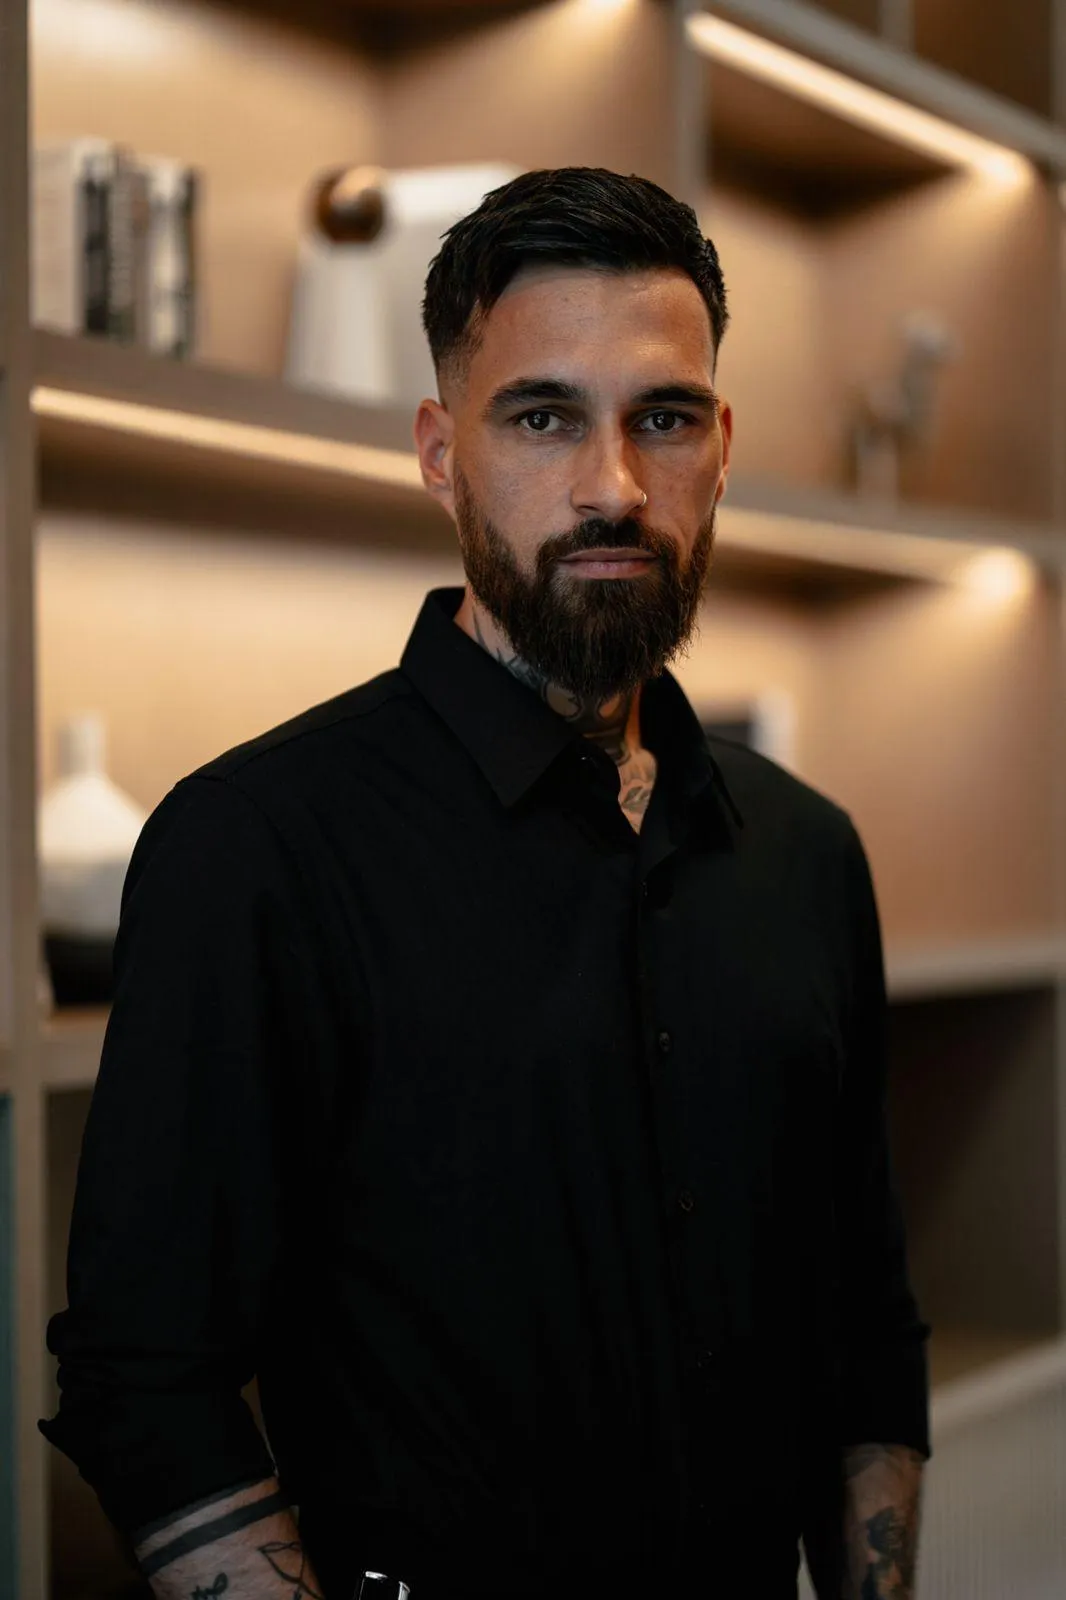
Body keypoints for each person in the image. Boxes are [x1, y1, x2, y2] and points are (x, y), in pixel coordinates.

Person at [41, 167, 929, 1600]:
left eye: (662, 418)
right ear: (441, 453)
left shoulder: (807, 850)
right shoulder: (254, 844)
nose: (612, 487)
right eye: (542, 417)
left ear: (719, 450)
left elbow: (865, 1318)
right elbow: (147, 1376)